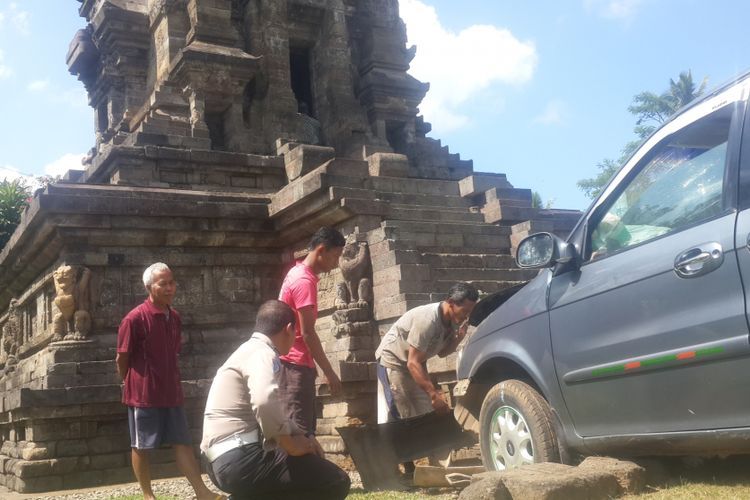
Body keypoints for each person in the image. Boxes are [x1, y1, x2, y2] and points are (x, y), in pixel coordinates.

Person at [201, 300, 350, 500]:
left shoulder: (246, 351)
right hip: (240, 458)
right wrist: (291, 445)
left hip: (220, 461)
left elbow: (273, 411)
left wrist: (303, 436)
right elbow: (264, 401)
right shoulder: (263, 353)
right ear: (289, 329)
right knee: (335, 481)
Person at [116, 263, 223, 500]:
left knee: (182, 442)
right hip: (143, 393)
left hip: (171, 390)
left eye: (171, 282)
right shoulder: (134, 319)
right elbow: (121, 357)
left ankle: (201, 491)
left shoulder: (174, 317)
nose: (169, 288)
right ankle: (147, 495)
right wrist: (130, 382)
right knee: (141, 446)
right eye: (162, 283)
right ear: (149, 287)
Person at [375, 282, 479, 423]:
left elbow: (442, 353)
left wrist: (458, 339)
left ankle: (425, 443)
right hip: (393, 362)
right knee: (402, 413)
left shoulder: (453, 320)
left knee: (426, 411)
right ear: (451, 303)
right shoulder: (427, 320)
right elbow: (413, 362)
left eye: (469, 312)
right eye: (464, 311)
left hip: (415, 365)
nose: (466, 316)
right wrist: (434, 394)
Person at [277, 226, 346, 435]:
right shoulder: (304, 281)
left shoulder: (296, 272)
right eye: (335, 256)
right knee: (299, 434)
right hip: (294, 366)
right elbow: (307, 333)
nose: (337, 263)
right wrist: (330, 372)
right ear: (321, 250)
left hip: (293, 364)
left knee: (299, 432)